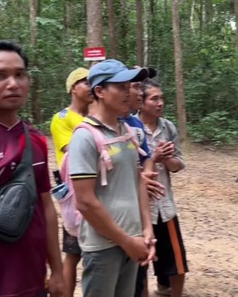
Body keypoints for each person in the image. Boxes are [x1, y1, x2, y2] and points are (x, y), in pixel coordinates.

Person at [68, 59, 156, 297]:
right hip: (103, 245)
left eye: (130, 87)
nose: (130, 93)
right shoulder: (85, 137)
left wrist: (146, 229)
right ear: (99, 91)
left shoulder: (127, 132)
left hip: (133, 239)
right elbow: (85, 202)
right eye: (121, 87)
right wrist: (127, 241)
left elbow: (138, 180)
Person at [0, 40, 64, 297]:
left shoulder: (35, 139)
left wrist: (57, 271)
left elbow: (46, 206)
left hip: (31, 280)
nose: (13, 84)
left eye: (20, 74)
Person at [138, 78, 188, 297]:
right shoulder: (131, 128)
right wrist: (153, 158)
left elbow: (178, 165)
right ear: (141, 102)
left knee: (177, 262)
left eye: (162, 98)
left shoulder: (168, 127)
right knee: (140, 264)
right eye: (154, 98)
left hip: (164, 207)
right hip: (139, 208)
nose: (160, 103)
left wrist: (166, 160)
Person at [120, 67, 166, 297]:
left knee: (139, 272)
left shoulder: (135, 125)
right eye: (136, 86)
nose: (140, 92)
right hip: (116, 218)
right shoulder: (98, 126)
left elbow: (145, 158)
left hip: (139, 211)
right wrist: (139, 179)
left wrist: (146, 176)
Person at [50, 67, 94, 297]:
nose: (90, 87)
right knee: (73, 252)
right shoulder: (62, 118)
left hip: (97, 185)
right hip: (74, 188)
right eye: (85, 82)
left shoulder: (94, 116)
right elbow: (74, 149)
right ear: (73, 88)